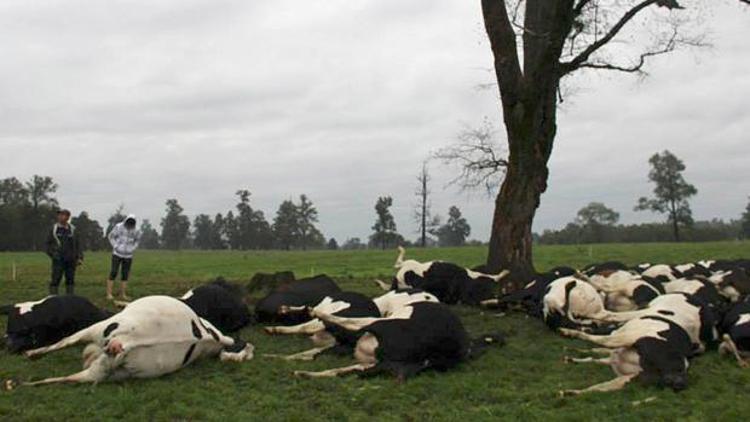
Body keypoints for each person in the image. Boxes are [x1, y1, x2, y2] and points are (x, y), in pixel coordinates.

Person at [45, 209, 83, 295]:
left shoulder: (73, 229)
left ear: (68, 217)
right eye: (60, 215)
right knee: (55, 279)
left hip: (71, 260)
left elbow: (78, 244)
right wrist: (53, 254)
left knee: (70, 279)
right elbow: (47, 244)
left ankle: (70, 298)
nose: (61, 217)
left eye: (63, 215)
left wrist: (79, 257)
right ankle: (53, 298)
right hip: (58, 260)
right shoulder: (54, 229)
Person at [107, 214, 141, 300]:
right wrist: (115, 246)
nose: (129, 225)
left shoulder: (137, 231)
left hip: (128, 255)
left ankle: (122, 294)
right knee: (113, 272)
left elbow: (137, 241)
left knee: (125, 274)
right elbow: (111, 236)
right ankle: (109, 294)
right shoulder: (118, 227)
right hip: (117, 254)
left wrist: (132, 249)